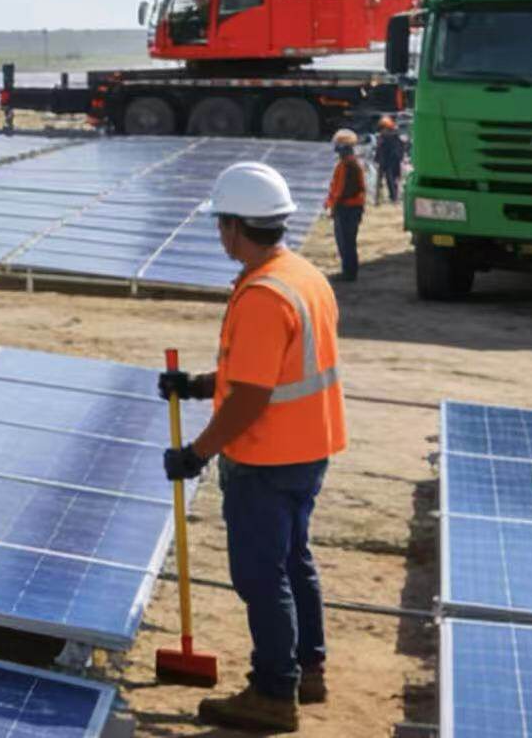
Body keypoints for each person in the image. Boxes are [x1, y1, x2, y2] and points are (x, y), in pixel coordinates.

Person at [159, 161, 347, 734]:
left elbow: (251, 398)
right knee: (293, 560)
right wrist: (199, 385)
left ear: (237, 226)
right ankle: (308, 670)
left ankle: (272, 693)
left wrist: (197, 452)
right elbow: (269, 373)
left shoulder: (263, 296)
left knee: (262, 577)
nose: (219, 234)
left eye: (221, 223)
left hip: (265, 458)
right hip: (309, 447)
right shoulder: (303, 276)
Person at [324, 129, 367, 283]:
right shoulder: (348, 164)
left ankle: (349, 273)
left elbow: (342, 190)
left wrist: (332, 206)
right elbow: (336, 187)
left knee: (346, 242)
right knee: (346, 242)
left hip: (347, 209)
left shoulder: (348, 166)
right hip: (349, 208)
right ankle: (348, 271)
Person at [373, 117, 405, 203]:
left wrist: (379, 159)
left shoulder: (391, 138)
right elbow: (380, 150)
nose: (382, 131)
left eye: (383, 129)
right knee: (387, 180)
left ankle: (393, 197)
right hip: (387, 162)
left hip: (390, 163)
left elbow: (395, 151)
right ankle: (381, 198)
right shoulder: (390, 137)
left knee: (391, 180)